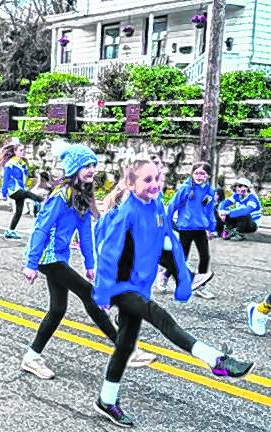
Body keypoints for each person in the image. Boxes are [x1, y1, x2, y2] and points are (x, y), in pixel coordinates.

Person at [92, 159, 254, 428]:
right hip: (120, 285)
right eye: (147, 180)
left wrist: (183, 276)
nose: (155, 184)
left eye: (158, 178)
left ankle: (106, 400)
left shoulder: (155, 205)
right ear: (131, 184)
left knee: (124, 346)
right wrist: (102, 294)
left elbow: (167, 240)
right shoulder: (125, 212)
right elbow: (107, 254)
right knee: (160, 316)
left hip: (139, 283)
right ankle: (216, 359)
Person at [20, 143, 150, 381]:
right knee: (89, 294)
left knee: (57, 309)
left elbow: (85, 232)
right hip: (47, 257)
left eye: (93, 165)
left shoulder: (83, 194)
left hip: (59, 256)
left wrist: (91, 264)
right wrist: (31, 262)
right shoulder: (61, 195)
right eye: (86, 165)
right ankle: (126, 348)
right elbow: (41, 227)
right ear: (74, 168)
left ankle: (31, 357)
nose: (91, 170)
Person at [166, 161, 217, 299]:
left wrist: (212, 228)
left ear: (208, 175)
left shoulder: (210, 192)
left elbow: (210, 211)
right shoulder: (185, 189)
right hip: (186, 228)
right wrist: (167, 223)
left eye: (202, 173)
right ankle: (165, 275)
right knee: (182, 257)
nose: (199, 176)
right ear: (192, 174)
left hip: (200, 228)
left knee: (205, 257)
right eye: (196, 173)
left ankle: (200, 286)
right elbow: (172, 205)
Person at [0, 137, 43, 240]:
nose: (23, 152)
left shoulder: (23, 163)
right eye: (21, 150)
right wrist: (4, 193)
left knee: (19, 212)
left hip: (20, 189)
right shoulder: (10, 164)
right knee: (28, 194)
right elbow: (5, 179)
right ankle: (43, 201)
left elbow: (26, 176)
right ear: (15, 151)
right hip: (13, 190)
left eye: (24, 150)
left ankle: (10, 231)